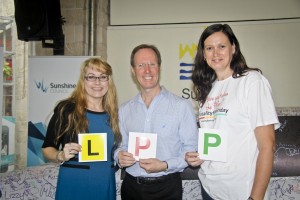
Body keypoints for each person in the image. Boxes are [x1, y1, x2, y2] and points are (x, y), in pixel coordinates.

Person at [185, 24, 279, 200]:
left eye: (222, 46)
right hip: (210, 189)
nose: (216, 53)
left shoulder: (252, 82)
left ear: (233, 48)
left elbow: (268, 146)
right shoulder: (208, 90)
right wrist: (200, 157)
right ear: (203, 55)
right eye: (209, 48)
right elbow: (219, 142)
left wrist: (255, 198)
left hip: (242, 192)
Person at [114, 44, 198, 200]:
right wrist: (119, 156)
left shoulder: (181, 106)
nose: (147, 70)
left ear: (159, 67)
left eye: (152, 64)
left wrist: (165, 165)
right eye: (141, 65)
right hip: (131, 187)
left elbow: (190, 149)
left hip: (167, 188)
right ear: (133, 70)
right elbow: (120, 145)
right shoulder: (124, 110)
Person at [42, 57, 121, 200]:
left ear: (109, 81)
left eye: (103, 77)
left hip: (105, 183)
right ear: (83, 80)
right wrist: (60, 155)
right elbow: (47, 148)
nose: (97, 82)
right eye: (91, 77)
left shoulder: (115, 114)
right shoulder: (67, 110)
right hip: (75, 183)